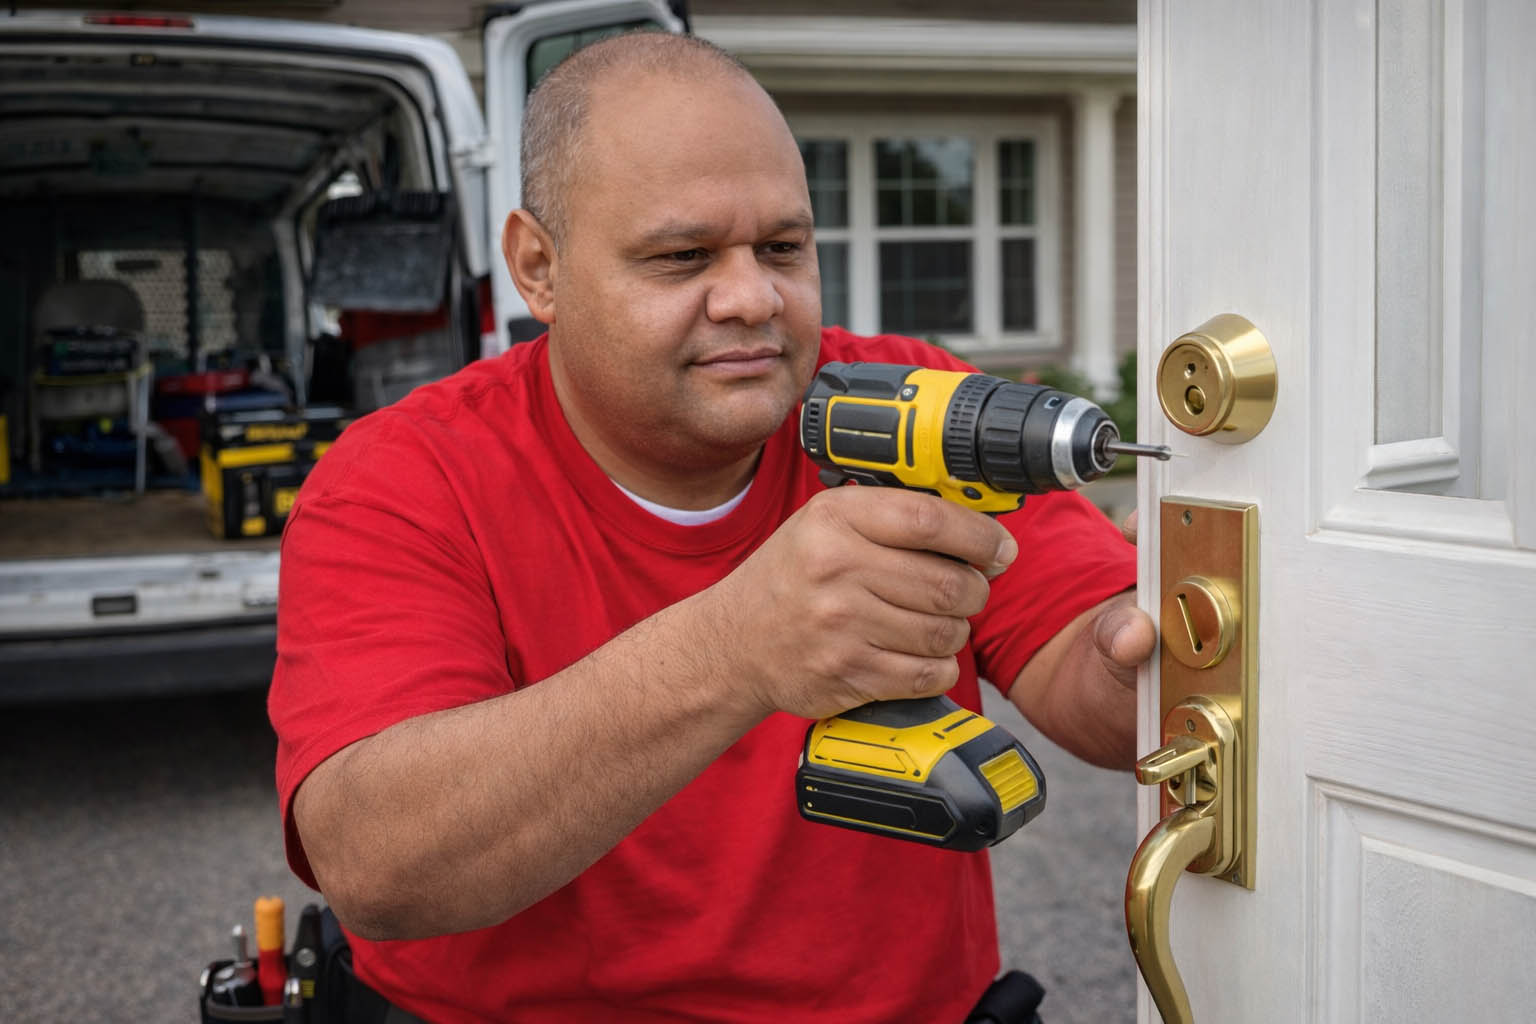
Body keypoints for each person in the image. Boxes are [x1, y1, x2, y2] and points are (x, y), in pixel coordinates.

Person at [269, 31, 1156, 1024]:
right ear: (538, 267)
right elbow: (378, 865)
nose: (753, 298)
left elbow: (1102, 681)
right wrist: (740, 646)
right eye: (682, 256)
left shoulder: (909, 406)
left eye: (782, 247)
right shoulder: (402, 478)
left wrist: (1147, 662)